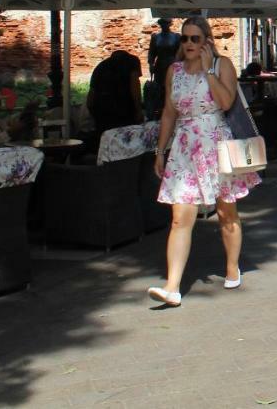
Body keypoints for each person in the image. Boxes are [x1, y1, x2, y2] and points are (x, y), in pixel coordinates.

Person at [149, 17, 260, 307]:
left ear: (207, 41)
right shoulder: (174, 71)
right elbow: (169, 113)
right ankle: (172, 286)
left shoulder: (222, 65)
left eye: (194, 39)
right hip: (184, 148)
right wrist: (160, 151)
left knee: (226, 213)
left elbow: (225, 102)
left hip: (215, 146)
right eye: (184, 38)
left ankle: (232, 267)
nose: (188, 44)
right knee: (179, 218)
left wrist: (210, 72)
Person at [86, 51, 144, 143]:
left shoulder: (101, 66)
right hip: (124, 111)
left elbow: (90, 98)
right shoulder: (132, 62)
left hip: (103, 112)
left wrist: (94, 115)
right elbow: (135, 86)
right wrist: (138, 109)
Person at [147, 18, 182, 117]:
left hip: (172, 65)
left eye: (166, 23)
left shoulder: (176, 37)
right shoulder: (155, 37)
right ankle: (160, 110)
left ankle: (173, 109)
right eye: (162, 23)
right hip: (160, 66)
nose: (164, 25)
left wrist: (179, 65)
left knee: (172, 87)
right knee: (160, 88)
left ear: (169, 24)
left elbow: (180, 53)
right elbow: (152, 53)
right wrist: (151, 64)